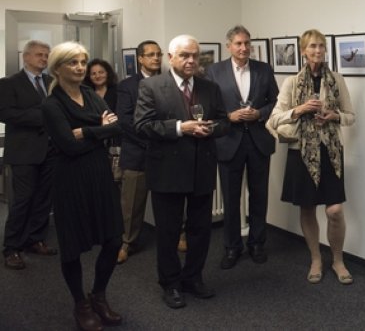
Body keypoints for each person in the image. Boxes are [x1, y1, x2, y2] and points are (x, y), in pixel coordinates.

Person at [134, 35, 229, 309]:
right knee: (168, 232)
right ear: (171, 58)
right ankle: (171, 283)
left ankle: (193, 278)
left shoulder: (210, 87)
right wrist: (180, 128)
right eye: (185, 55)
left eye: (195, 56)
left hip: (202, 169)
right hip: (168, 170)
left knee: (200, 230)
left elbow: (224, 123)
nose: (191, 61)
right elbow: (142, 126)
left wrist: (211, 128)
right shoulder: (151, 86)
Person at [41, 42, 124, 331]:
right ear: (57, 68)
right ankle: (81, 303)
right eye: (72, 62)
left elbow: (117, 127)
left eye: (82, 62)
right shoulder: (51, 104)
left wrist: (86, 130)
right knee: (72, 248)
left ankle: (98, 295)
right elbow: (67, 146)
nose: (79, 68)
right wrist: (99, 129)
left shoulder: (90, 94)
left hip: (100, 175)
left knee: (114, 240)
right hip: (70, 180)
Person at [266, 29, 355, 284]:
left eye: (321, 46)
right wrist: (299, 109)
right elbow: (274, 118)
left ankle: (338, 260)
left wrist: (334, 116)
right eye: (313, 46)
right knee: (307, 208)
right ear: (303, 51)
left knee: (335, 210)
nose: (318, 51)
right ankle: (316, 258)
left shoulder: (336, 79)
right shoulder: (291, 82)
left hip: (331, 152)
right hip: (301, 153)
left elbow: (350, 116)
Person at [206, 25, 278, 269]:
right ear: (229, 46)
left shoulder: (264, 69)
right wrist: (229, 116)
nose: (244, 48)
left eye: (247, 43)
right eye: (238, 43)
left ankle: (257, 244)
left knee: (259, 196)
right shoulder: (214, 72)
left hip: (259, 141)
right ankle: (231, 247)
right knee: (231, 198)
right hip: (228, 142)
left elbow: (276, 103)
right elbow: (208, 108)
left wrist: (259, 113)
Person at [0, 40, 58, 270]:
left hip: (51, 151)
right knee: (22, 200)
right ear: (26, 57)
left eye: (46, 56)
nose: (44, 59)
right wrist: (42, 117)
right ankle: (11, 248)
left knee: (44, 199)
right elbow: (5, 114)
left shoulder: (52, 82)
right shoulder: (9, 83)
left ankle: (35, 239)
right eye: (39, 55)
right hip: (23, 151)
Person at [115, 40, 163, 264]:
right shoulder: (127, 86)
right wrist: (149, 138)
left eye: (159, 54)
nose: (156, 58)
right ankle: (127, 243)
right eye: (151, 54)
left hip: (167, 152)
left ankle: (180, 234)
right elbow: (124, 120)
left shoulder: (170, 82)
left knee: (173, 200)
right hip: (137, 151)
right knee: (131, 203)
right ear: (140, 59)